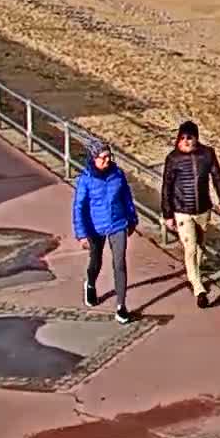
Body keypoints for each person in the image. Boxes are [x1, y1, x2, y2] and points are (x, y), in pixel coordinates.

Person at [160, 120, 220, 309]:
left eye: (189, 137)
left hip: (203, 210)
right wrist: (168, 214)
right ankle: (199, 289)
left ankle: (195, 275)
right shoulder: (173, 159)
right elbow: (167, 187)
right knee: (190, 248)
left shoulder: (207, 154)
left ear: (196, 138)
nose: (186, 141)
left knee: (200, 247)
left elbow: (217, 177)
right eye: (182, 138)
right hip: (182, 211)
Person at [71, 136, 137, 324]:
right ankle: (91, 283)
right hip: (95, 226)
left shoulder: (118, 174)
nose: (107, 160)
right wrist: (81, 234)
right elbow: (79, 207)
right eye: (103, 157)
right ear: (93, 159)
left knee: (119, 263)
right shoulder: (85, 179)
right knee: (96, 260)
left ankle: (121, 306)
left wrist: (132, 219)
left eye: (109, 156)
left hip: (118, 223)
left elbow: (126, 198)